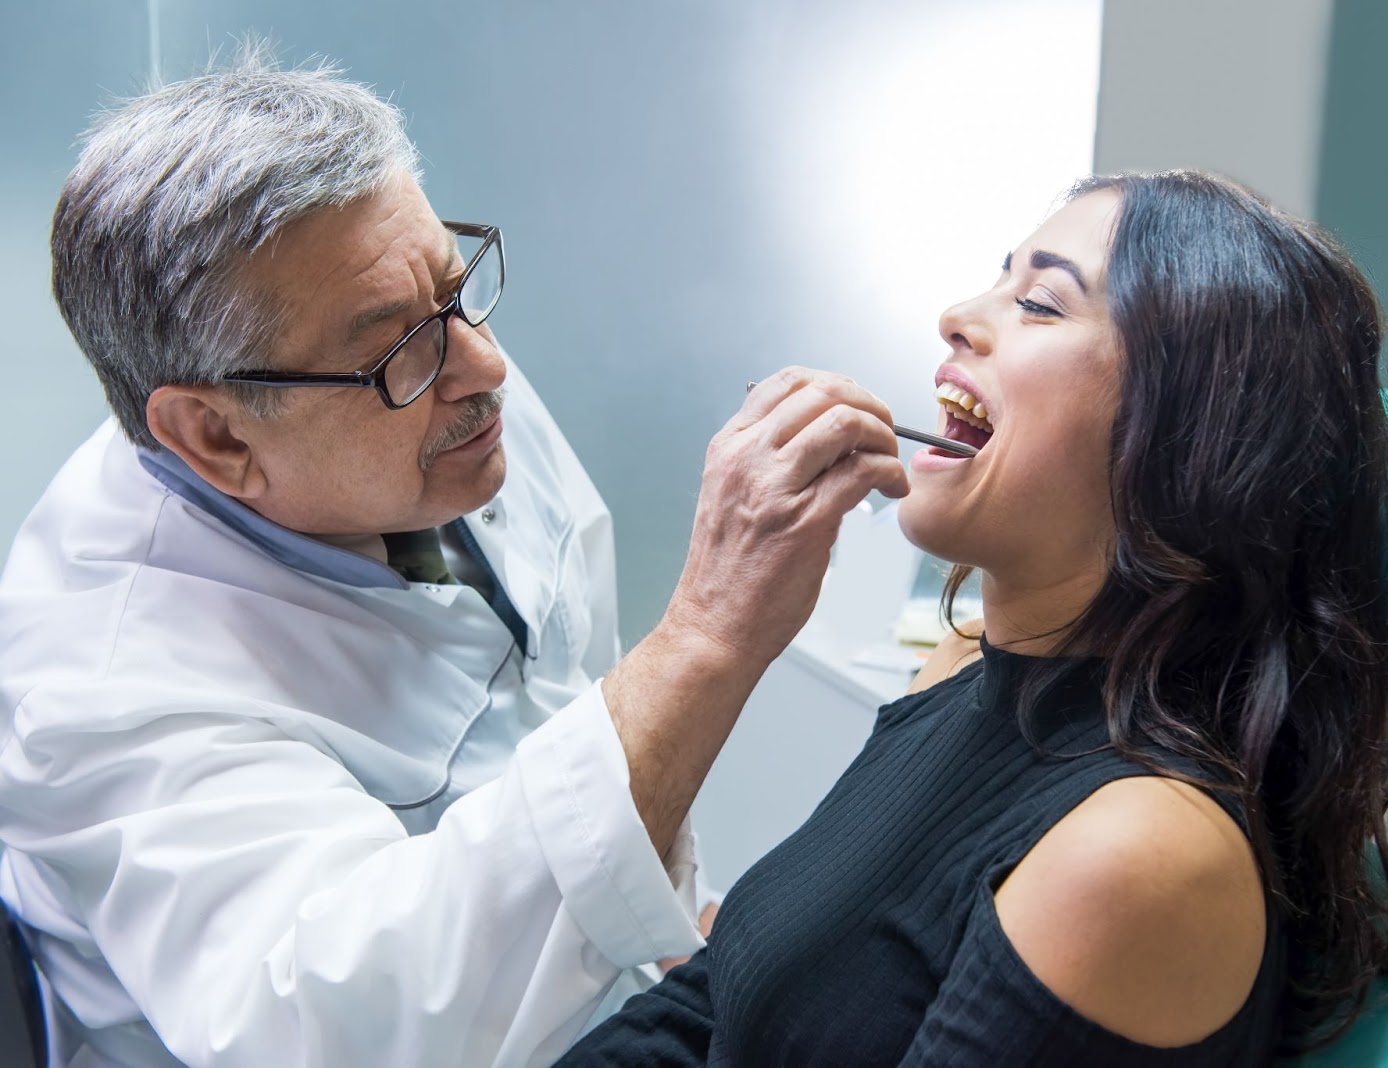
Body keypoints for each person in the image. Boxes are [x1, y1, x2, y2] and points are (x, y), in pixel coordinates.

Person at [0, 52, 910, 1068]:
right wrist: (707, 636)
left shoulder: (435, 390)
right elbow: (351, 1030)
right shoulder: (108, 694)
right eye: (398, 349)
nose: (482, 366)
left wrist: (669, 935)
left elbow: (560, 675)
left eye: (455, 284)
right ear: (214, 437)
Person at [557, 171, 1388, 1066]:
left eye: (1041, 304)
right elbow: (716, 1008)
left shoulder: (1136, 853)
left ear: (1189, 438)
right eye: (998, 280)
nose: (959, 315)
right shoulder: (964, 662)